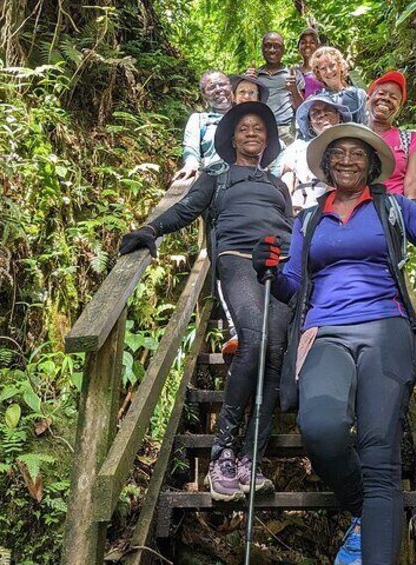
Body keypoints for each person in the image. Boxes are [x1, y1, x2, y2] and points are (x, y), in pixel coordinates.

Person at [250, 123, 416, 564]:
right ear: (324, 165)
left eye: (356, 154)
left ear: (372, 164)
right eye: (337, 153)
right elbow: (292, 286)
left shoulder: (394, 208)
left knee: (380, 451)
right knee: (321, 428)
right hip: (324, 332)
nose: (346, 160)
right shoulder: (308, 218)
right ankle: (368, 510)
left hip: (386, 327)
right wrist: (266, 268)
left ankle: (375, 522)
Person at [120, 102, 293, 501]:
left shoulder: (278, 186)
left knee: (277, 352)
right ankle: (223, 453)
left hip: (281, 265)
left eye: (260, 129)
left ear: (267, 141)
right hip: (237, 261)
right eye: (244, 128)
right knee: (255, 340)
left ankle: (252, 458)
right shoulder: (217, 175)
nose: (252, 133)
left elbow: (293, 228)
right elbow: (186, 209)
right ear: (231, 138)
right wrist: (151, 229)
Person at [280, 93, 350, 211]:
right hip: (301, 209)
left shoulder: (352, 145)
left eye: (328, 110)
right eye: (315, 113)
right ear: (310, 124)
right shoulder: (297, 148)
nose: (322, 114)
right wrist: (288, 207)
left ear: (339, 116)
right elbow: (287, 178)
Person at [367, 71, 416, 200]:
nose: (386, 98)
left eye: (394, 98)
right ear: (368, 100)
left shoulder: (411, 140)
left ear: (398, 109)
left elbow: (412, 184)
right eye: (381, 93)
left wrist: (411, 214)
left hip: (395, 210)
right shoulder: (352, 135)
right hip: (357, 209)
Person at [173, 70, 233, 182]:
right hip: (215, 177)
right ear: (204, 95)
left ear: (231, 87)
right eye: (211, 87)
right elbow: (191, 147)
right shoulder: (199, 119)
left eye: (222, 84)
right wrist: (191, 164)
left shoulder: (246, 115)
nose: (219, 89)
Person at [247, 31, 296, 145]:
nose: (272, 50)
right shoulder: (254, 75)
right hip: (259, 129)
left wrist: (294, 90)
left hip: (285, 129)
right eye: (268, 46)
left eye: (277, 46)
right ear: (262, 49)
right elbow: (244, 102)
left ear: (283, 50)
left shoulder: (292, 74)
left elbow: (301, 107)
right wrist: (247, 82)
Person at [309, 46, 368, 125]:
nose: (329, 71)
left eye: (332, 65)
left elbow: (367, 123)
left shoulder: (358, 94)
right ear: (318, 73)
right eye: (323, 68)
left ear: (340, 65)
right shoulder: (316, 100)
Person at [290, 27, 324, 104]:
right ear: (298, 47)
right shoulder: (294, 72)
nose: (307, 45)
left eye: (312, 42)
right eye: (303, 42)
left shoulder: (324, 70)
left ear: (318, 46)